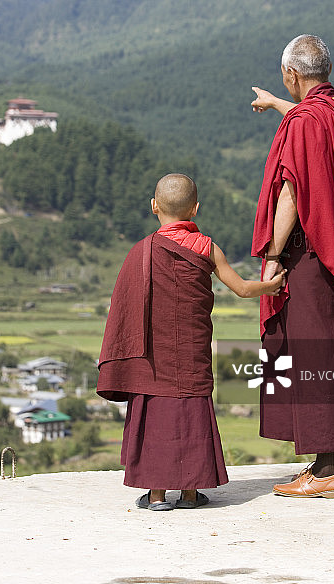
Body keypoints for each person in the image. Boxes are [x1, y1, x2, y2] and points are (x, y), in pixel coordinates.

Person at [97, 173, 286, 511]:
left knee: (155, 410)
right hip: (192, 347)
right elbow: (242, 289)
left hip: (153, 354)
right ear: (195, 209)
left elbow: (124, 306)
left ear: (154, 206)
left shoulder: (142, 251)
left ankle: (156, 495)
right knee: (192, 408)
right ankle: (189, 493)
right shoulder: (207, 247)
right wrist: (270, 287)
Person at [251, 34, 334, 499]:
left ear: (292, 74)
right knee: (328, 350)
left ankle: (328, 473)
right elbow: (312, 122)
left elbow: (292, 189)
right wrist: (279, 103)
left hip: (307, 253)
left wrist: (271, 255)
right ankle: (323, 464)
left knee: (314, 356)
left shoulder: (309, 120)